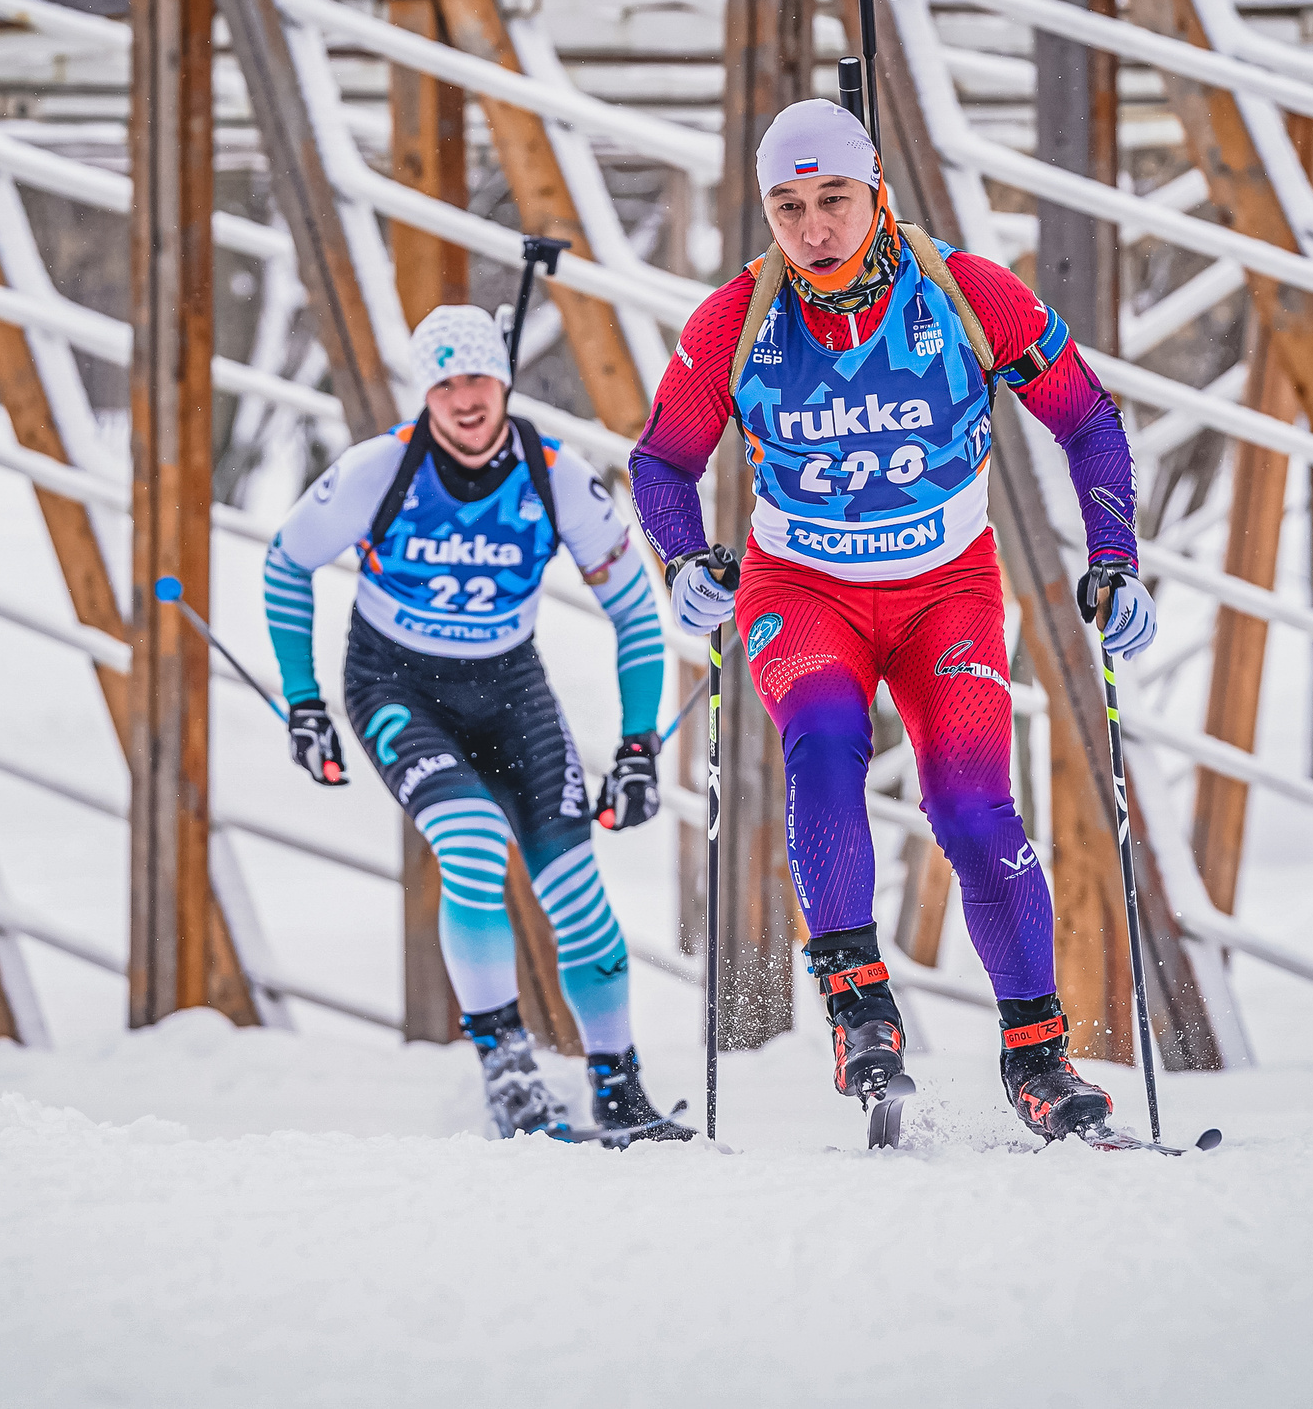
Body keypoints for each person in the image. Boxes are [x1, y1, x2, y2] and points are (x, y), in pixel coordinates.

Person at [628, 98, 1159, 1145]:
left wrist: (1115, 562)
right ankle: (859, 1010)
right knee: (823, 745)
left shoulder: (966, 292)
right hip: (803, 591)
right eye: (787, 208)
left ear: (875, 192)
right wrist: (685, 557)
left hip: (942, 590)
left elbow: (1087, 420)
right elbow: (662, 461)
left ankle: (1038, 1060)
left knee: (971, 807)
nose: (813, 230)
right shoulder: (733, 321)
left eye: (833, 200)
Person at [264, 302, 691, 1144]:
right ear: (426, 391)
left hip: (509, 690)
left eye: (480, 379)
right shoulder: (376, 470)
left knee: (578, 891)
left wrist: (639, 744)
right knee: (469, 840)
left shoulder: (554, 472)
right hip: (396, 686)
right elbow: (288, 561)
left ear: (503, 380)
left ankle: (619, 1087)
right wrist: (303, 700)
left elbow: (636, 611)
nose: (465, 399)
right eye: (446, 382)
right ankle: (507, 1067)